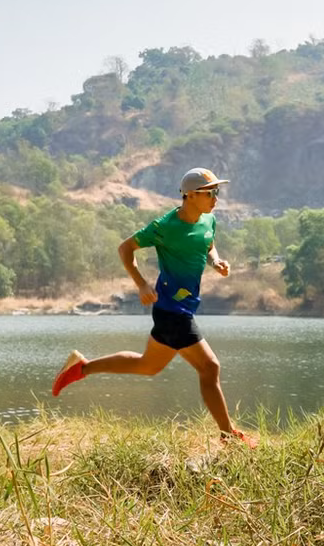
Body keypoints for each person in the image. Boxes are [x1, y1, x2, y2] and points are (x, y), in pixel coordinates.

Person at [52, 166, 254, 446]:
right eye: (211, 193)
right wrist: (141, 284)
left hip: (182, 308)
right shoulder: (165, 227)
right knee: (210, 368)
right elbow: (125, 248)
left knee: (148, 365)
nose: (216, 198)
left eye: (217, 192)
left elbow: (208, 245)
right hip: (172, 311)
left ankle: (81, 367)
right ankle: (227, 435)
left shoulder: (209, 220)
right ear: (191, 195)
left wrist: (216, 261)